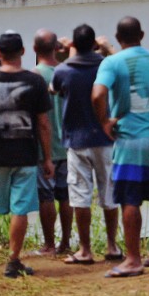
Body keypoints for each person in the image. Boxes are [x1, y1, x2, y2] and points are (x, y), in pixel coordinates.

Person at [93, 17, 149, 278]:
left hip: (129, 139)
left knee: (130, 198)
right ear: (142, 34)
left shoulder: (112, 63)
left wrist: (105, 122)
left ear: (117, 37)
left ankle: (133, 259)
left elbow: (97, 94)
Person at [0, 32, 54, 278]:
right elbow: (43, 124)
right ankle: (13, 260)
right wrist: (47, 157)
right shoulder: (35, 81)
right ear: (23, 52)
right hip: (26, 154)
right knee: (21, 209)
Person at [55, 24, 122, 265]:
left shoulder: (64, 71)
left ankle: (85, 249)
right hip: (105, 139)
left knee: (80, 196)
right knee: (109, 194)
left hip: (77, 139)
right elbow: (124, 67)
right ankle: (113, 246)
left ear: (73, 45)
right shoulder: (107, 66)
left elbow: (55, 88)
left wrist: (70, 51)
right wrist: (107, 48)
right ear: (95, 44)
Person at [31, 30, 72, 255]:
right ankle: (65, 243)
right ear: (57, 48)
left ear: (35, 49)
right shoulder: (67, 72)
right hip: (67, 143)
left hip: (43, 145)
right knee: (65, 195)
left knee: (46, 195)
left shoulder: (35, 76)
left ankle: (49, 244)